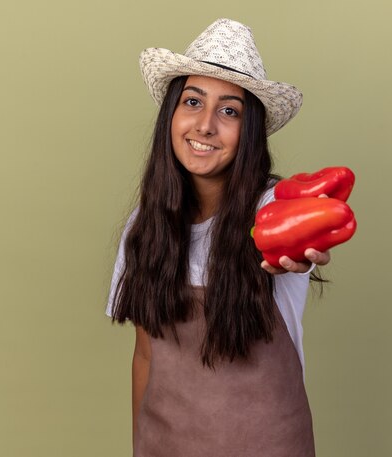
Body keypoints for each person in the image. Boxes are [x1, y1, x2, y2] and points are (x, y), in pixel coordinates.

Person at [106, 18, 331, 456]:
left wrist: (302, 253)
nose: (205, 125)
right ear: (171, 113)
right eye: (192, 102)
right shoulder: (143, 226)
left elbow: (300, 236)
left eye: (229, 111)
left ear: (248, 133)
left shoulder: (271, 209)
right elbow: (146, 357)